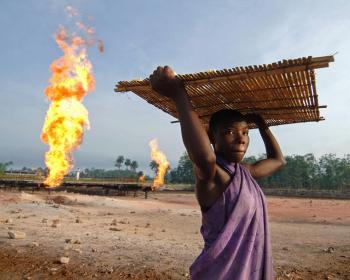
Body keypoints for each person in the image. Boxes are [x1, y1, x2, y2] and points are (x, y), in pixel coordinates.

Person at [149, 66, 286, 280]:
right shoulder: (211, 175)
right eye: (229, 132)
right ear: (212, 138)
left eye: (245, 132)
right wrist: (179, 95)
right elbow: (205, 157)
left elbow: (278, 160)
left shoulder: (245, 172)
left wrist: (262, 126)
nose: (241, 138)